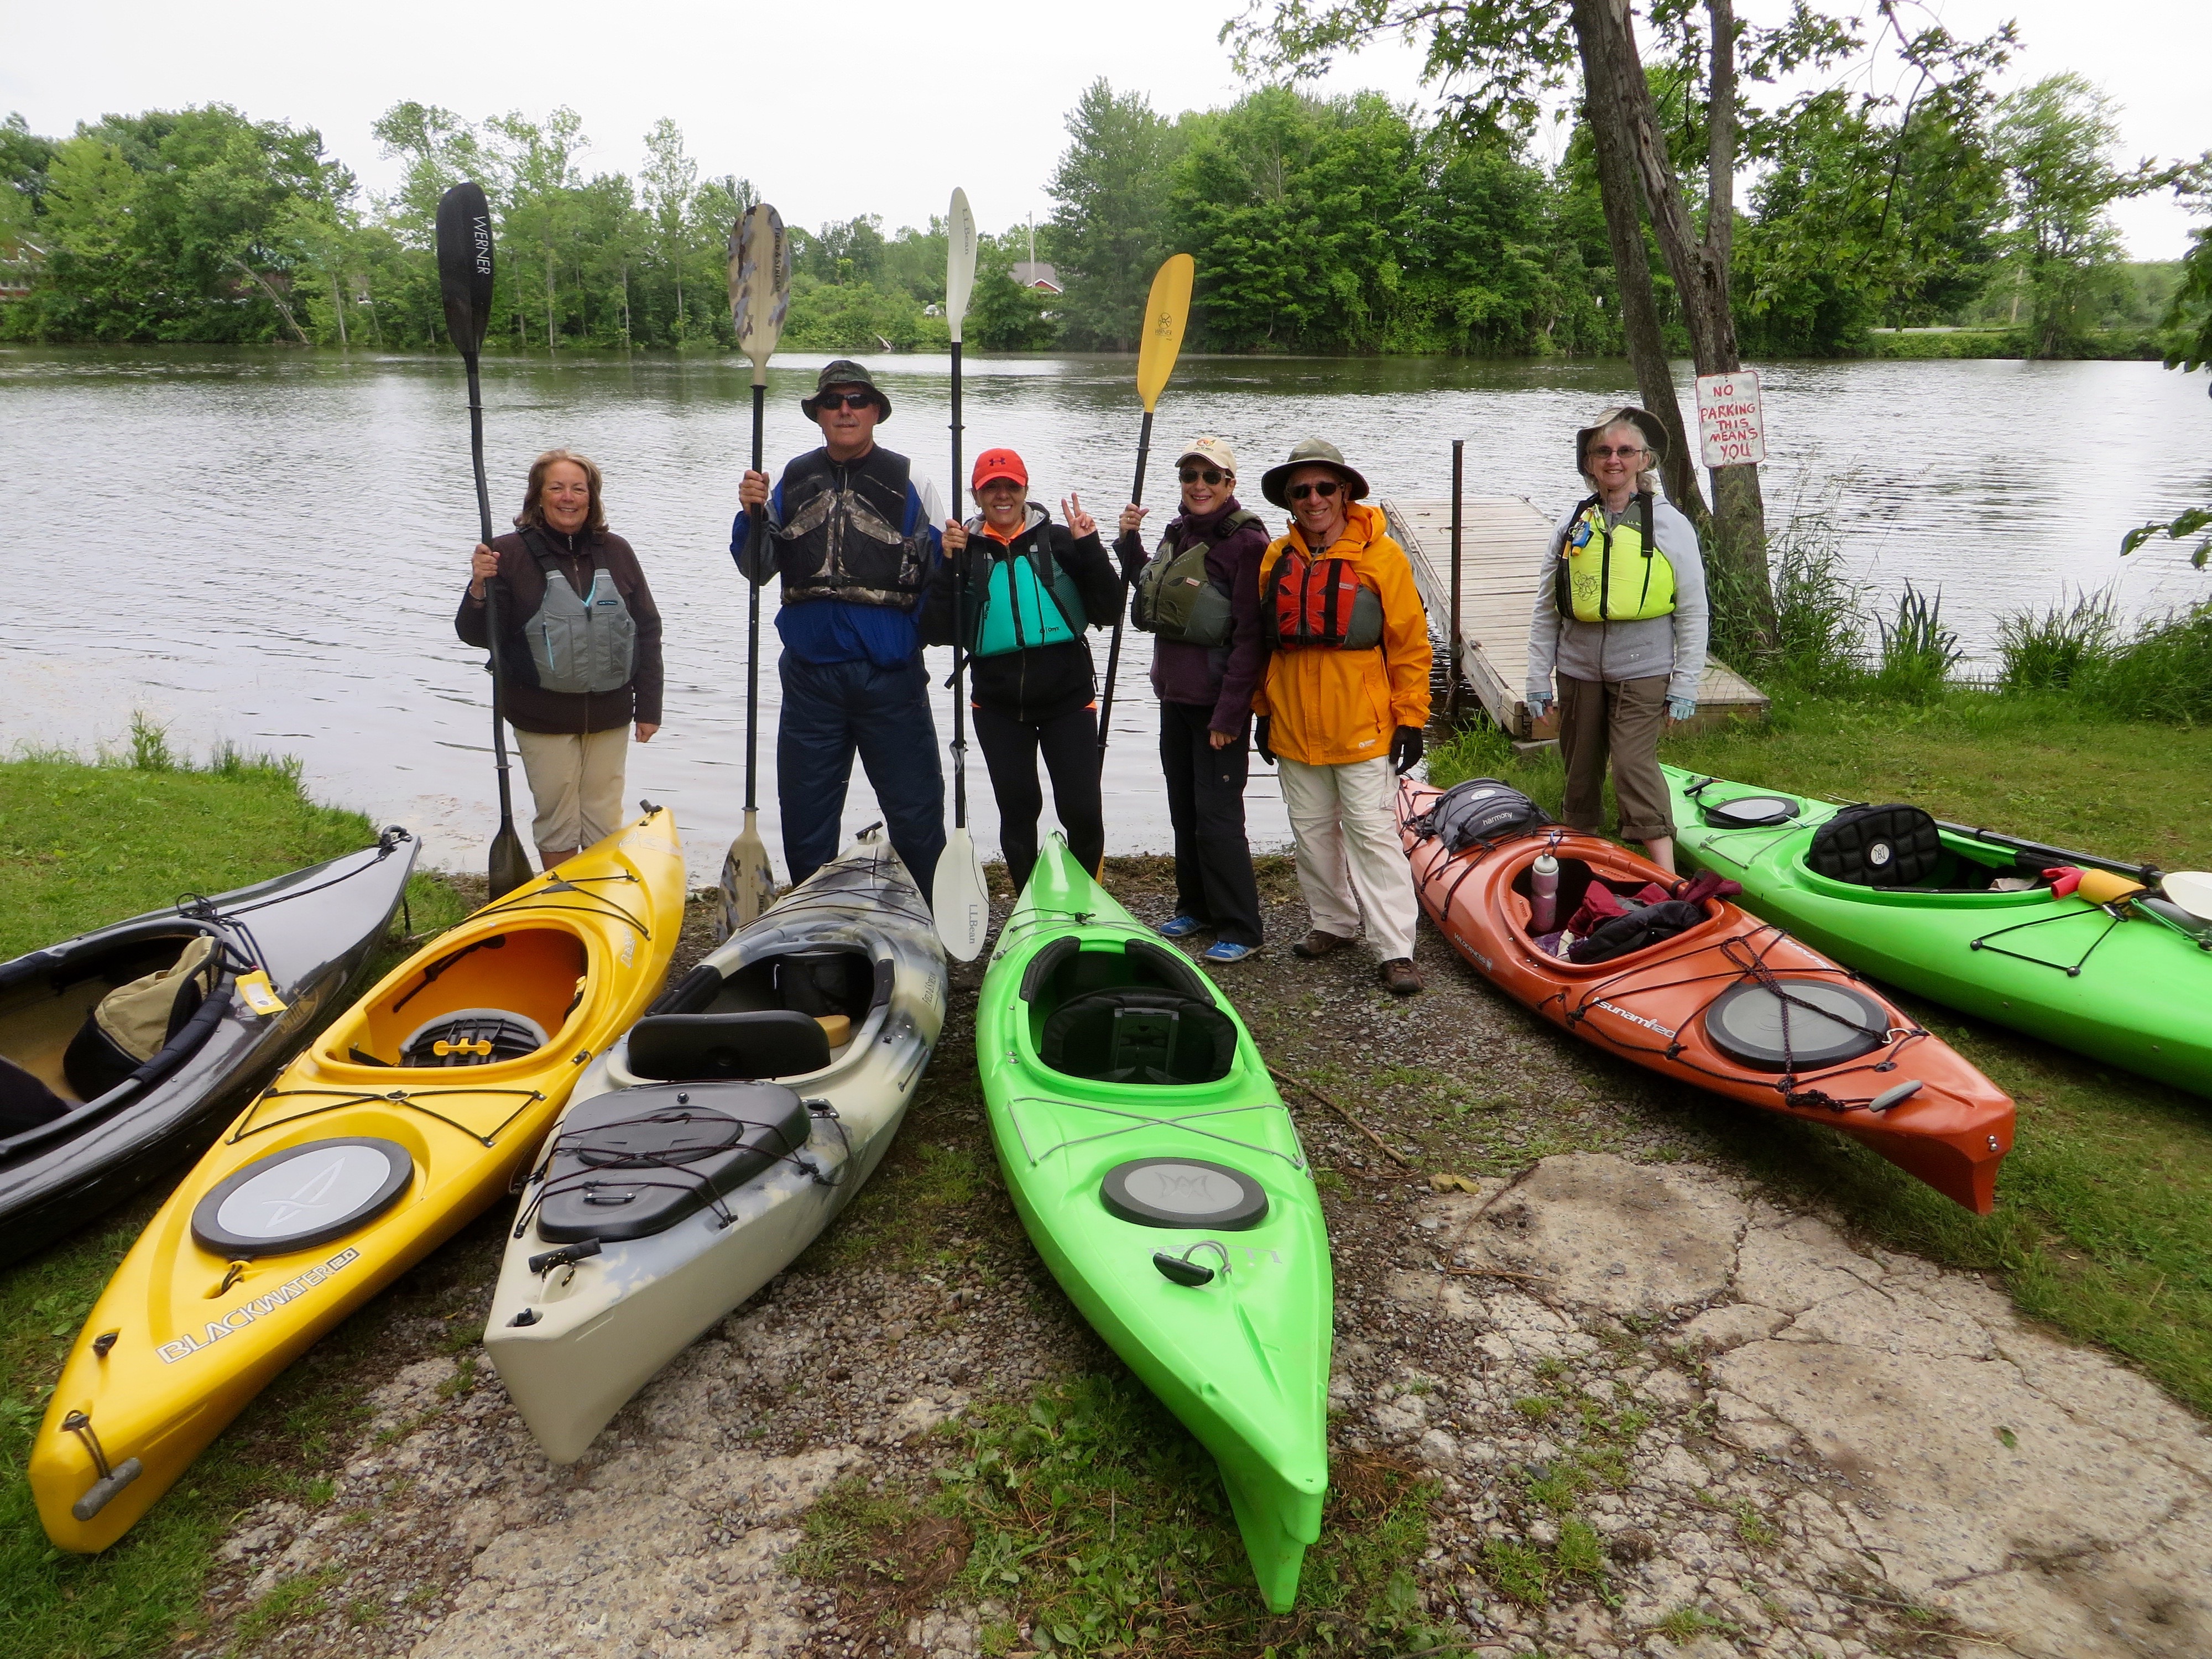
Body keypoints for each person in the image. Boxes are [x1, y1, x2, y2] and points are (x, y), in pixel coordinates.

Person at [733, 359, 947, 889]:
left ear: (876, 411)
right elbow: (757, 568)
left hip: (889, 676)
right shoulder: (791, 478)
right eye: (833, 401)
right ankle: (813, 928)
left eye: (856, 400)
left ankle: (932, 921)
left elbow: (942, 576)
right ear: (819, 414)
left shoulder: (911, 478)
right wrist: (751, 513)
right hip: (810, 676)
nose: (845, 410)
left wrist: (905, 640)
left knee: (917, 811)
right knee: (806, 814)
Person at [1251, 439, 1432, 995]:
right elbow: (1263, 645)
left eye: (1324, 488)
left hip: (1362, 724)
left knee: (1371, 834)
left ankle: (1396, 948)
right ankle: (1333, 921)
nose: (1314, 499)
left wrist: (1410, 717)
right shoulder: (1274, 557)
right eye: (1301, 491)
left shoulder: (1383, 557)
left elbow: (1409, 645)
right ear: (1289, 500)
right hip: (1294, 725)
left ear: (1345, 491)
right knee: (1310, 834)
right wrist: (1262, 711)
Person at [923, 448, 1123, 891]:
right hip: (997, 707)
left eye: (1010, 486)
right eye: (991, 488)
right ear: (977, 495)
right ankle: (1027, 903)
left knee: (1082, 812)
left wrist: (1090, 547)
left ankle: (1086, 898)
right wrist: (947, 566)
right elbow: (936, 631)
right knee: (1019, 810)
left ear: (1025, 490)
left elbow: (1109, 609)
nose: (1002, 495)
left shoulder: (1059, 540)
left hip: (1068, 700)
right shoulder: (964, 550)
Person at [457, 448, 662, 873]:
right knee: (558, 820)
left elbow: (646, 629)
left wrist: (650, 708)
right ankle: (560, 896)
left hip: (611, 713)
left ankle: (598, 900)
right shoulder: (505, 555)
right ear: (538, 496)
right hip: (540, 714)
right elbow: (477, 636)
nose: (568, 498)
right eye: (557, 487)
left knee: (604, 818)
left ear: (592, 498)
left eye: (578, 488)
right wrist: (479, 586)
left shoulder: (618, 551)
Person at [1525, 405, 1709, 874]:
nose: (1614, 460)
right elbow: (1548, 606)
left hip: (1643, 668)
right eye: (1603, 451)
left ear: (1644, 460)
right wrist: (1537, 679)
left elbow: (1692, 609)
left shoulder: (1670, 525)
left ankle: (1665, 874)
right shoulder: (1572, 523)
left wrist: (1685, 684)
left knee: (1632, 766)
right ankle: (1582, 860)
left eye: (1625, 451)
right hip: (1578, 667)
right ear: (1589, 463)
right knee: (1579, 771)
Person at [1114, 436, 1270, 964]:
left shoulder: (1247, 543)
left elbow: (1252, 636)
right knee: (1184, 810)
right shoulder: (1178, 531)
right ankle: (1196, 906)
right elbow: (1157, 590)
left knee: (1218, 816)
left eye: (1210, 477)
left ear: (1230, 484)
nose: (1198, 486)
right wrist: (1127, 543)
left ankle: (1241, 926)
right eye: (1189, 476)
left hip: (1216, 707)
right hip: (1174, 695)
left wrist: (1231, 714)